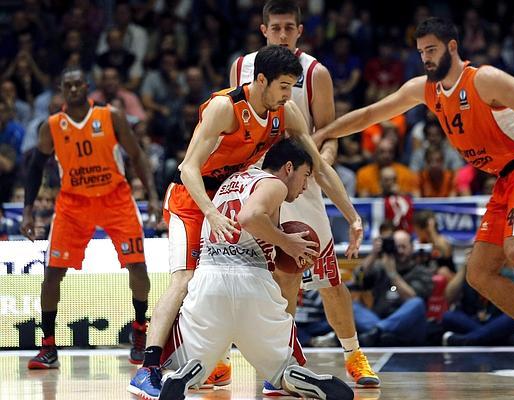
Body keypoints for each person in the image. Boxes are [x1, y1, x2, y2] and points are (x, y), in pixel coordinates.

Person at [313, 17, 514, 390]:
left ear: (452, 47)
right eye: (421, 51)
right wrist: (325, 132)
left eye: (432, 49)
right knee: (478, 273)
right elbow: (370, 115)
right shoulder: (425, 89)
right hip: (506, 178)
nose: (426, 58)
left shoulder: (483, 79)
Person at [131, 44, 363, 398]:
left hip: (228, 196)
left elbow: (317, 165)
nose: (288, 95)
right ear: (260, 80)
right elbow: (188, 167)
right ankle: (147, 369)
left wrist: (352, 214)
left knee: (255, 272)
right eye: (283, 86)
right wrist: (210, 212)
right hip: (191, 198)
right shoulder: (225, 108)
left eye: (292, 87)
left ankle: (261, 364)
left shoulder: (283, 112)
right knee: (185, 279)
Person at [229, 0, 379, 391]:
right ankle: (280, 362)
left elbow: (327, 138)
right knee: (275, 275)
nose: (282, 33)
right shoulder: (240, 67)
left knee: (328, 280)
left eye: (288, 28)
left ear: (299, 31)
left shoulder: (315, 73)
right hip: (257, 183)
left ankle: (353, 355)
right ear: (264, 30)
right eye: (275, 27)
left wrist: (312, 170)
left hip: (302, 181)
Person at [20, 66, 161, 368]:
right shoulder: (52, 125)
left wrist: (152, 196)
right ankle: (48, 347)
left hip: (116, 199)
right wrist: (29, 209)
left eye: (77, 85)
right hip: (73, 204)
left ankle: (139, 331)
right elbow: (35, 167)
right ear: (61, 89)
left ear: (86, 87)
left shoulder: (111, 116)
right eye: (66, 86)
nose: (72, 90)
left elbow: (136, 156)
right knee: (52, 274)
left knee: (137, 266)